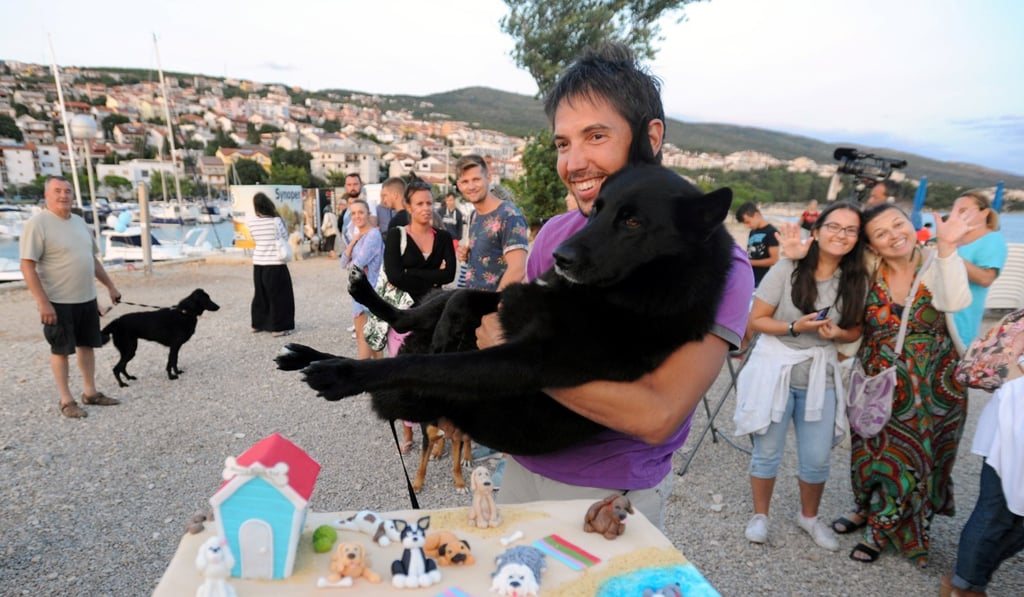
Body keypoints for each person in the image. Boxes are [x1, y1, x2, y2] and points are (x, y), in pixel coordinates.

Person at [479, 42, 755, 530]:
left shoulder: (714, 264)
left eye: (596, 135)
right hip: (521, 463)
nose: (574, 161)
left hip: (608, 492)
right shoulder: (557, 236)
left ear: (650, 137)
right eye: (563, 143)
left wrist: (516, 356)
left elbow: (657, 414)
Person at [838, 203, 975, 566]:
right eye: (881, 233)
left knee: (915, 458)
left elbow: (955, 301)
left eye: (899, 224)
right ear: (872, 246)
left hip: (933, 382)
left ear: (911, 225)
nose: (894, 235)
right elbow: (851, 320)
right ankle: (866, 508)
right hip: (876, 380)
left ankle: (882, 530)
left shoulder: (939, 261)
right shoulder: (867, 272)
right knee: (869, 451)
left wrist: (948, 249)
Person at [734, 202, 867, 551]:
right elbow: (757, 319)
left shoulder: (855, 280)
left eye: (850, 230)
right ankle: (760, 515)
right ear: (818, 229)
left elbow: (855, 330)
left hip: (820, 375)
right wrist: (794, 326)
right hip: (776, 368)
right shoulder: (789, 266)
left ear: (857, 238)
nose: (841, 235)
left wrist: (837, 334)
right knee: (767, 451)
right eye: (834, 226)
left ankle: (808, 517)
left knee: (817, 456)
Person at [20, 176, 122, 418]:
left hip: (86, 299)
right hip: (57, 301)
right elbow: (27, 266)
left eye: (67, 191)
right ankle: (66, 400)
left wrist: (110, 286)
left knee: (88, 346)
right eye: (57, 191)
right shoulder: (38, 224)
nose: (63, 195)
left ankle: (91, 393)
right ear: (47, 195)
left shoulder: (79, 222)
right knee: (61, 349)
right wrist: (43, 302)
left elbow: (92, 259)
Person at [382, 181, 456, 452]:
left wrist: (410, 275)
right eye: (420, 204)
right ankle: (408, 434)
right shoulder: (396, 235)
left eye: (429, 203)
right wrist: (430, 280)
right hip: (403, 314)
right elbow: (393, 276)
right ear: (408, 207)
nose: (426, 208)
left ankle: (434, 433)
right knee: (402, 373)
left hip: (433, 315)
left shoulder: (444, 237)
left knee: (433, 374)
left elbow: (450, 275)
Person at [942, 363, 1024, 597]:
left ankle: (967, 580)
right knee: (995, 511)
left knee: (1007, 516)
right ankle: (965, 584)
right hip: (1014, 421)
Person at [455, 154, 528, 292]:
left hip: (497, 308)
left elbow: (518, 269)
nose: (471, 186)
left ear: (488, 178)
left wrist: (495, 308)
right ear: (459, 185)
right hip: (473, 305)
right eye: (465, 181)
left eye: (476, 179)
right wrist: (467, 255)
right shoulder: (473, 216)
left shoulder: (509, 215)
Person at [949, 191, 1008, 351]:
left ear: (985, 213)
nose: (956, 215)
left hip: (962, 318)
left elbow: (985, 279)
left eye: (963, 210)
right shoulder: (952, 239)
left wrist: (949, 252)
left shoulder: (992, 240)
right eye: (954, 211)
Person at [340, 199, 384, 360]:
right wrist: (352, 242)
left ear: (368, 214)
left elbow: (355, 265)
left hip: (369, 292)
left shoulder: (373, 235)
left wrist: (350, 259)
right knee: (370, 340)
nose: (357, 216)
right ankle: (382, 377)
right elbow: (342, 262)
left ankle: (360, 376)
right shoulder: (359, 236)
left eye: (360, 212)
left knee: (364, 339)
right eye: (353, 213)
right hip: (360, 292)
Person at [247, 192, 295, 337]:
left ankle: (258, 324)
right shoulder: (275, 221)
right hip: (275, 263)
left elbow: (255, 239)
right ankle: (278, 327)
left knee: (260, 294)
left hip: (258, 263)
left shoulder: (251, 222)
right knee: (279, 296)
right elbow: (284, 237)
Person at [735, 201, 780, 287]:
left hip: (763, 279)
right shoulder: (752, 231)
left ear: (756, 215)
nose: (747, 226)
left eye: (748, 222)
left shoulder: (772, 232)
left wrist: (749, 262)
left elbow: (774, 260)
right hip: (750, 276)